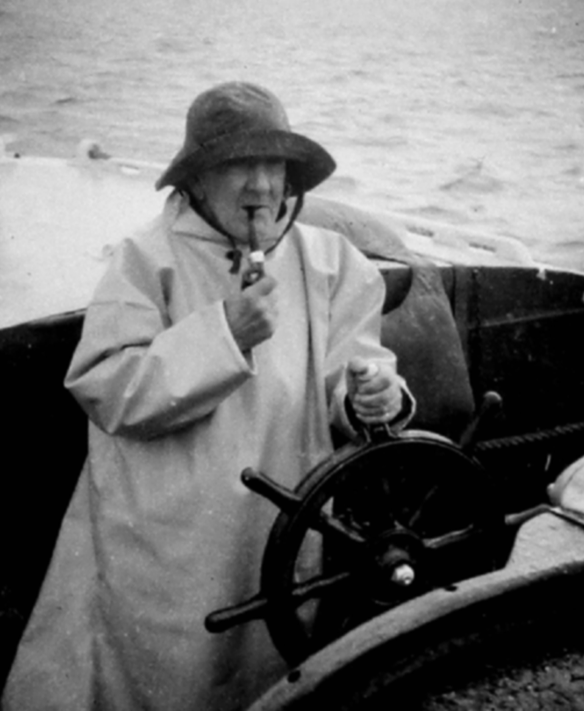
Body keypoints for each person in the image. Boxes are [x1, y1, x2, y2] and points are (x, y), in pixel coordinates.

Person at [2, 82, 414, 711]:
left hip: (273, 526)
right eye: (237, 165)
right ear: (195, 180)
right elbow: (106, 387)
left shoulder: (333, 262)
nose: (259, 186)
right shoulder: (146, 257)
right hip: (166, 541)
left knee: (266, 675)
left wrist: (370, 397)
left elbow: (352, 372)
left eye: (272, 164)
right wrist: (225, 333)